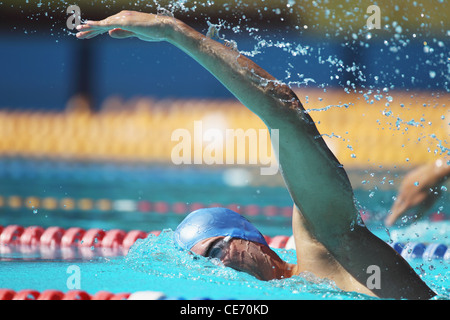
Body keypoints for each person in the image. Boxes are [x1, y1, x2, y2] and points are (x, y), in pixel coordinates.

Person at [76, 10, 436, 299]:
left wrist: (176, 32)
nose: (217, 270)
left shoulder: (327, 245)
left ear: (248, 237)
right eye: (202, 267)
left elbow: (287, 113)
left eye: (216, 252)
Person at [386, 158, 449, 226]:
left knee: (402, 206)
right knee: (404, 206)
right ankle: (389, 225)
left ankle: (392, 224)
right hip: (421, 182)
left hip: (421, 177)